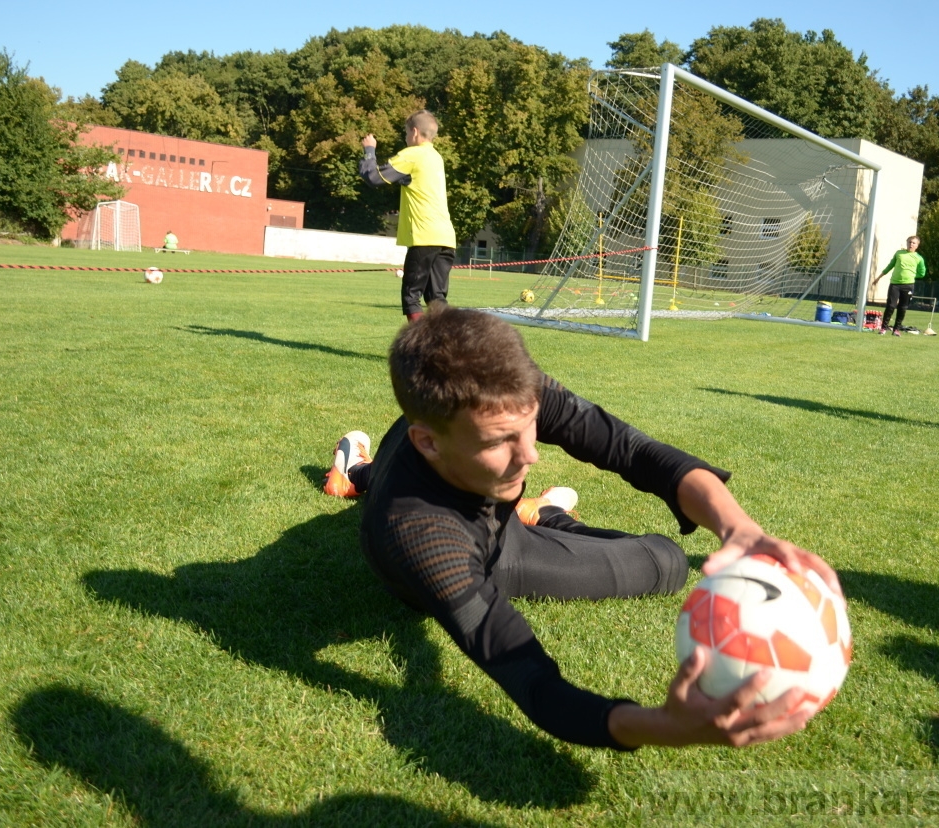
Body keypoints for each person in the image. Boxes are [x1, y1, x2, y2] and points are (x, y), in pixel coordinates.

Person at [323, 306, 842, 750]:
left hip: (449, 477)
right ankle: (361, 474)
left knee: (668, 558)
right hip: (480, 548)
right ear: (430, 440)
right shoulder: (425, 536)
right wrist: (661, 726)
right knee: (662, 563)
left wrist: (739, 529)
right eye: (501, 442)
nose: (530, 455)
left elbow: (633, 450)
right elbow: (530, 679)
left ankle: (528, 510)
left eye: (531, 428)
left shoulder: (504, 396)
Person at [360, 111, 457, 324]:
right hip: (446, 238)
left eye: (405, 132)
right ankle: (448, 348)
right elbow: (413, 180)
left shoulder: (412, 154)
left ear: (414, 132)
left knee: (411, 296)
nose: (405, 137)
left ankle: (421, 347)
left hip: (424, 237)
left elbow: (373, 177)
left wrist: (369, 150)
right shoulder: (435, 157)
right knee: (437, 299)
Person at [872, 236, 926, 335]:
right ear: (907, 243)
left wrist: (912, 275)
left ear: (917, 245)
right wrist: (878, 277)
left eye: (914, 243)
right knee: (891, 306)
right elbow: (890, 265)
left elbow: (922, 273)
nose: (911, 244)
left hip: (908, 286)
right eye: (909, 242)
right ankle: (883, 328)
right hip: (895, 284)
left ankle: (896, 329)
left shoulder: (919, 258)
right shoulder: (899, 254)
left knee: (902, 307)